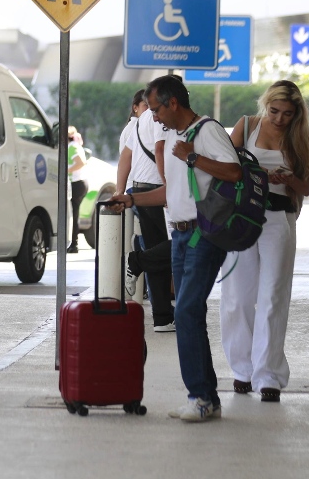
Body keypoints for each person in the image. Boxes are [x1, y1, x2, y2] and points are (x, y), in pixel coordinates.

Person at [110, 75, 242, 423]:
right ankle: (205, 397)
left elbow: (234, 173)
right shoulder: (171, 138)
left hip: (204, 234)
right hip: (180, 235)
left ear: (173, 103)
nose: (153, 117)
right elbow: (169, 193)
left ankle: (201, 396)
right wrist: (130, 199)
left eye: (156, 109)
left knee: (184, 312)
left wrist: (195, 158)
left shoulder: (207, 131)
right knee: (189, 316)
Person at [220, 80, 309, 404]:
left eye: (287, 113)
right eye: (274, 111)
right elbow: (225, 169)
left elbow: (307, 188)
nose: (279, 119)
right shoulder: (247, 126)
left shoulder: (302, 137)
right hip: (244, 217)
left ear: (296, 113)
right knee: (237, 297)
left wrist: (289, 179)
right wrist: (256, 172)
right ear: (266, 105)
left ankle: (269, 375)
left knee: (274, 296)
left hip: (280, 218)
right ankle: (242, 370)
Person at [116, 89, 175, 331]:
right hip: (157, 190)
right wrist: (169, 187)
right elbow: (160, 151)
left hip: (140, 189)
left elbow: (125, 158)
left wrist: (122, 191)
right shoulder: (161, 118)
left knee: (160, 250)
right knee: (182, 242)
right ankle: (138, 260)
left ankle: (162, 317)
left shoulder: (141, 121)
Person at [67, 127, 88, 255]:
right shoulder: (75, 145)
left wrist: (65, 170)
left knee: (73, 215)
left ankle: (74, 244)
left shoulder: (73, 147)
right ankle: (73, 243)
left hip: (76, 184)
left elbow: (80, 162)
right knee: (74, 214)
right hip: (79, 183)